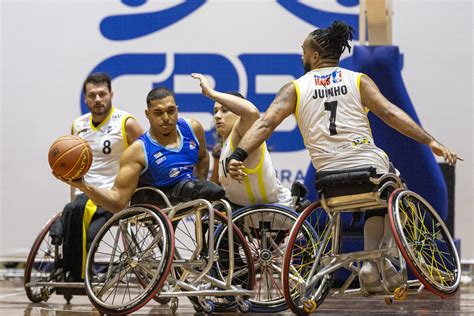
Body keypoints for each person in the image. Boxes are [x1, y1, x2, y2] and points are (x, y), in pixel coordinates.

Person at [226, 21, 461, 293]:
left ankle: (375, 265)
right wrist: (430, 140)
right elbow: (390, 113)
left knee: (382, 197)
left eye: (303, 51)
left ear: (314, 56)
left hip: (327, 179)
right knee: (395, 194)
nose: (301, 56)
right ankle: (376, 262)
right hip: (369, 168)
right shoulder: (357, 80)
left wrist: (239, 154)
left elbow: (265, 124)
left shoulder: (296, 88)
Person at [54, 86, 224, 216]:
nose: (166, 117)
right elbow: (117, 202)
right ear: (147, 114)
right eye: (158, 113)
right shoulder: (138, 151)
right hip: (159, 199)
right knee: (208, 190)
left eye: (171, 111)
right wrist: (84, 186)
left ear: (177, 109)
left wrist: (200, 180)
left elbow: (202, 158)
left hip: (189, 193)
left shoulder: (193, 128)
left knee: (215, 202)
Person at [50, 72, 144, 281]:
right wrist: (73, 195)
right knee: (71, 211)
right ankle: (69, 268)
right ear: (85, 98)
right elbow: (74, 170)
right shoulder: (78, 125)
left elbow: (147, 156)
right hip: (87, 192)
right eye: (92, 95)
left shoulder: (126, 123)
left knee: (89, 229)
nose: (98, 99)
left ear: (111, 94)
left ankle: (79, 272)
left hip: (115, 193)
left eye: (102, 94)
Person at [191, 73, 292, 209]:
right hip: (247, 214)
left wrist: (211, 93)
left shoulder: (243, 132)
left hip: (275, 211)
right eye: (215, 111)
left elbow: (251, 112)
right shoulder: (225, 144)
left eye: (225, 110)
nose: (217, 116)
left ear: (239, 114)